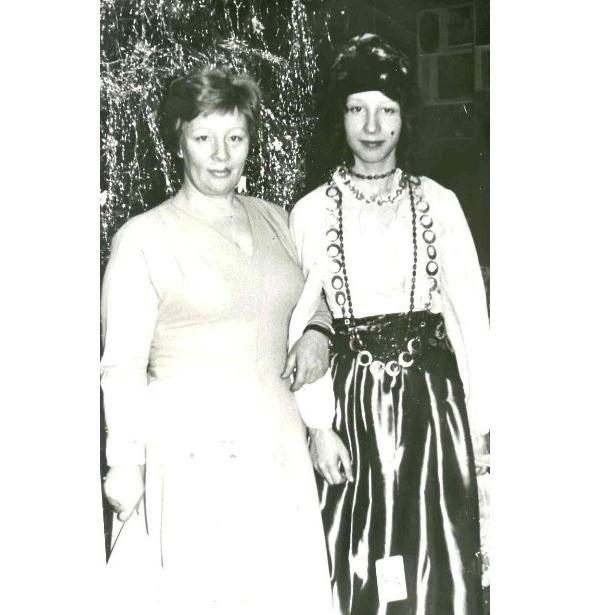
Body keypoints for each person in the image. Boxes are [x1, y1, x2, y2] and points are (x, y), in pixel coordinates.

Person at [100, 65, 334, 614]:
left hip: (277, 448)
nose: (221, 154)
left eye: (235, 137)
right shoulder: (141, 238)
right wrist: (124, 461)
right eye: (204, 137)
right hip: (192, 456)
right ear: (179, 139)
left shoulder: (278, 220)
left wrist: (318, 331)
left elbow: (314, 297)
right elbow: (122, 364)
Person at [290, 34, 489, 615]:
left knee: (435, 559)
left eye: (387, 110)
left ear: (406, 117)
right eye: (358, 109)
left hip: (432, 408)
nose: (373, 126)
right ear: (340, 117)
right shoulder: (311, 211)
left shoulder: (439, 202)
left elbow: (470, 318)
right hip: (351, 409)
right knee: (359, 560)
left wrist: (482, 423)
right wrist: (318, 427)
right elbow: (303, 322)